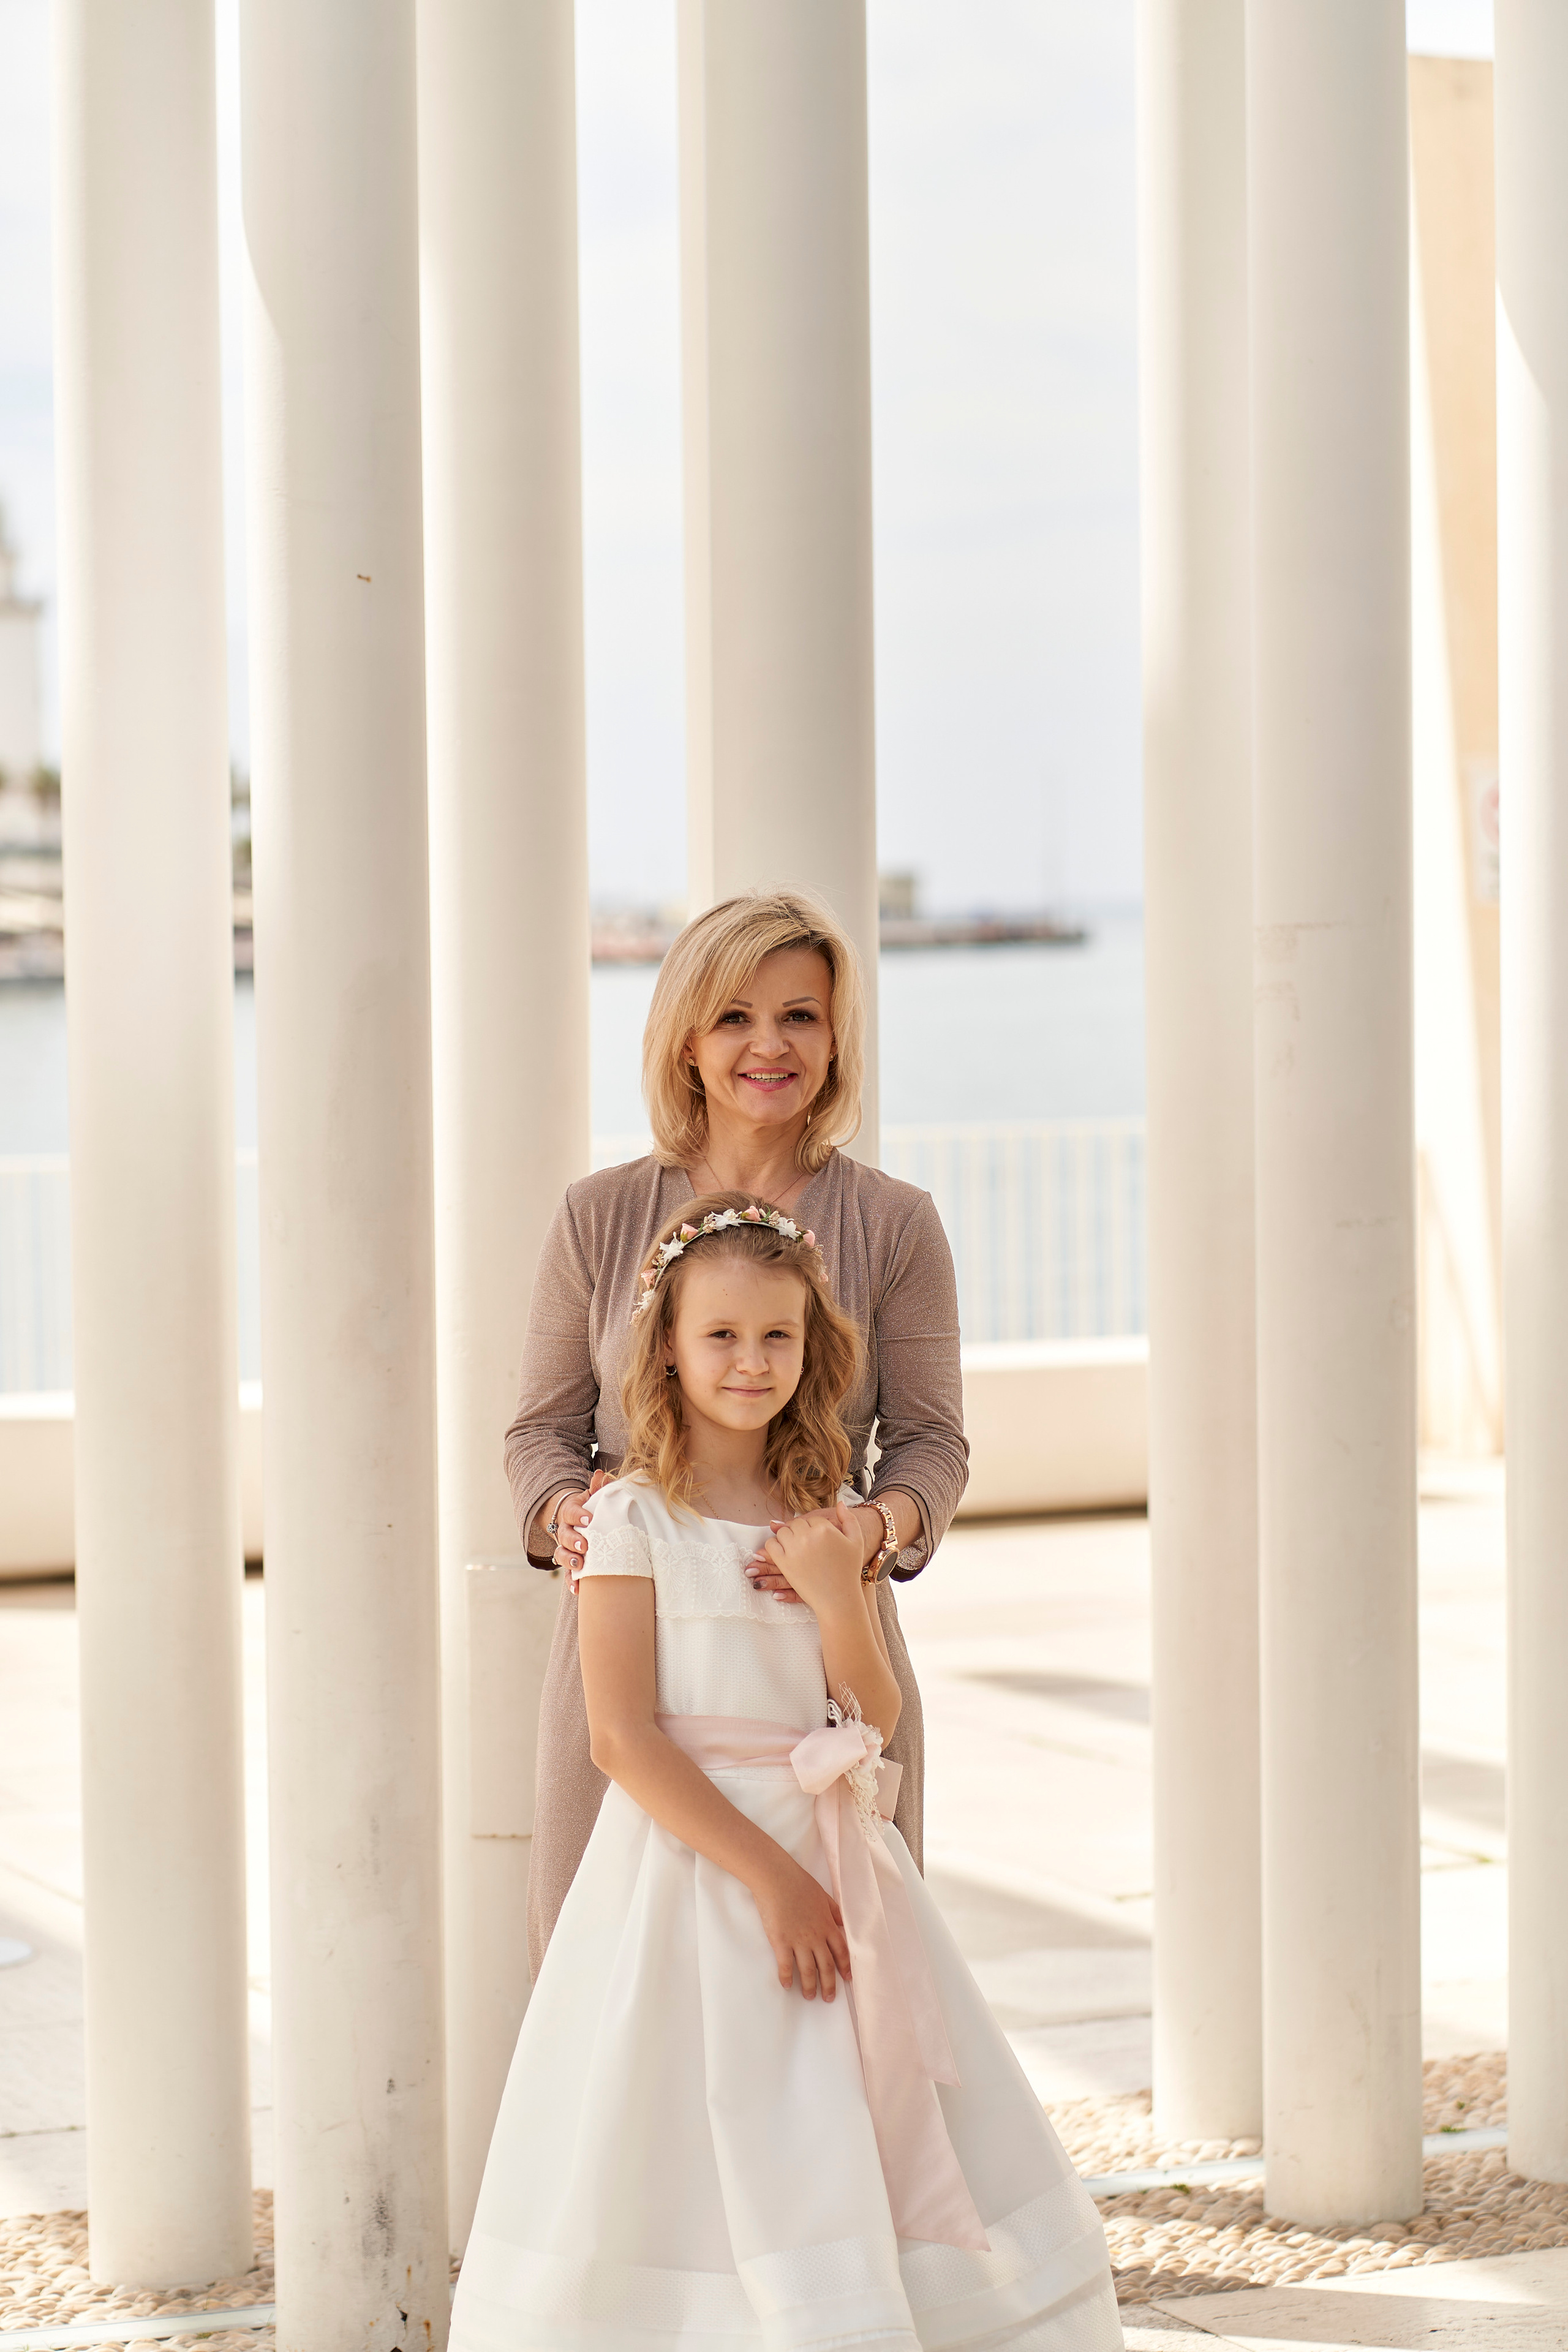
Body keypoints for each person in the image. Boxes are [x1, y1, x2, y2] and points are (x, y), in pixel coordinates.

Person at [451, 1199, 1122, 2352]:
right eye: (721, 1336)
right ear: (665, 1344)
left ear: (813, 1350)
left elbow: (871, 1713)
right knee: (698, 2117)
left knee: (834, 2114)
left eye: (778, 1338)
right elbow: (621, 1738)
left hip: (836, 1849)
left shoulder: (823, 1517)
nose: (751, 1363)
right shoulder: (628, 1520)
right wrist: (773, 1881)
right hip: (692, 1869)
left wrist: (834, 1580)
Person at [510, 888, 968, 1974]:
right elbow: (538, 1430)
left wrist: (870, 1533)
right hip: (637, 1642)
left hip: (819, 1647)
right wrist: (572, 1514)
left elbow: (933, 1445)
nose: (771, 1045)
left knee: (845, 1987)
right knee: (619, 1984)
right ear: (686, 1040)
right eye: (735, 1017)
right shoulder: (597, 1215)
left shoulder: (895, 1225)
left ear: (835, 1038)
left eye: (802, 1016)